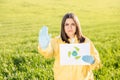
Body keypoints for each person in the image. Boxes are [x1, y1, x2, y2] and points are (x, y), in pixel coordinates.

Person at [38, 13, 101, 80]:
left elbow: (97, 62)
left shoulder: (85, 41)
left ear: (77, 26)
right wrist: (44, 46)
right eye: (67, 24)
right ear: (63, 27)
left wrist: (93, 61)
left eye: (72, 24)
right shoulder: (57, 41)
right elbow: (49, 52)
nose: (69, 27)